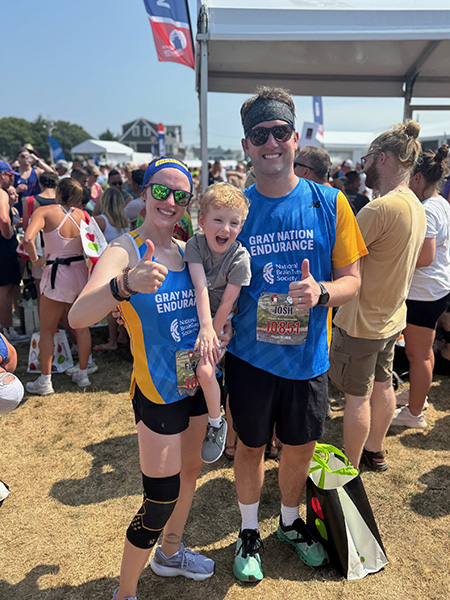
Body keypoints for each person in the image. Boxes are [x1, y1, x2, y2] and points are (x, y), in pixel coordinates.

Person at [69, 157, 231, 600]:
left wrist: (218, 329)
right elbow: (78, 314)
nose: (170, 201)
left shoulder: (188, 250)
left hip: (196, 383)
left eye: (181, 195)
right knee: (158, 500)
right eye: (161, 191)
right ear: (143, 193)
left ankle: (171, 554)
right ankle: (125, 591)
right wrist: (125, 284)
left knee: (192, 471)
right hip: (157, 393)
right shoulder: (125, 247)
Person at [225, 86, 367, 582]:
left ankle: (287, 522)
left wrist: (321, 292)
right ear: (246, 145)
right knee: (249, 445)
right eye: (259, 134)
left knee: (300, 447)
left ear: (295, 136)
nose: (271, 143)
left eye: (279, 132)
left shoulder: (331, 203)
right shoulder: (234, 212)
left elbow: (353, 279)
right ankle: (248, 529)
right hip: (250, 356)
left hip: (308, 357)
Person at [329, 121, 426, 472]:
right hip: (389, 316)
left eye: (367, 158)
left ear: (381, 158)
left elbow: (340, 258)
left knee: (356, 396)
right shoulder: (414, 204)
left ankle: (349, 468)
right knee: (382, 384)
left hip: (362, 320)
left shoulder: (379, 209)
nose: (363, 166)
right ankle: (375, 450)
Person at [184, 182, 251, 463]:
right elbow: (200, 286)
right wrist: (205, 327)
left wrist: (212, 329)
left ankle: (216, 422)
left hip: (221, 323)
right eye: (218, 220)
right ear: (202, 221)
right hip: (196, 321)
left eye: (234, 223)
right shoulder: (194, 245)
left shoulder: (240, 258)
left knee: (205, 370)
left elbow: (228, 302)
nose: (225, 229)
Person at [391, 145, 450, 428]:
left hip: (423, 293)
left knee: (418, 354)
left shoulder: (427, 211)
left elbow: (424, 258)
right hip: (434, 291)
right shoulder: (441, 204)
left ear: (416, 179)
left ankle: (415, 414)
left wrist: (393, 257)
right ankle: (418, 397)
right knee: (423, 352)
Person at [23, 178, 92, 395]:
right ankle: (83, 373)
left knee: (47, 329)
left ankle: (45, 380)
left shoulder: (45, 211)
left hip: (56, 274)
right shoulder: (83, 215)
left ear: (59, 192)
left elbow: (27, 238)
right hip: (80, 273)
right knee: (82, 327)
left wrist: (35, 259)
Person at [91, 188, 131, 352]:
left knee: (111, 305)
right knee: (123, 303)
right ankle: (122, 335)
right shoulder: (126, 221)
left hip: (107, 266)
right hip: (125, 266)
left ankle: (112, 340)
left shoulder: (100, 220)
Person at [0, 162, 23, 342]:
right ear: (2, 175)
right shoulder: (1, 193)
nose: (12, 178)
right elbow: (3, 218)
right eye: (10, 174)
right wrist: (8, 233)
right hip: (3, 246)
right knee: (5, 289)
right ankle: (8, 330)